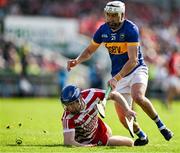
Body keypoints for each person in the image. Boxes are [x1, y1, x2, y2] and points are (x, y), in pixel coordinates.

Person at [67, 1, 173, 146]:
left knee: (138, 97)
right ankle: (142, 136)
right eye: (108, 15)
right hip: (118, 75)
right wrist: (77, 60)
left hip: (136, 70)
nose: (111, 19)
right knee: (123, 118)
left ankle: (161, 126)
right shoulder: (103, 30)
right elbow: (90, 50)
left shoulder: (131, 29)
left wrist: (116, 78)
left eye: (114, 16)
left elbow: (133, 60)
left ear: (122, 15)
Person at [60, 84, 136, 147]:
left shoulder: (91, 94)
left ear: (79, 99)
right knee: (130, 143)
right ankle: (107, 140)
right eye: (67, 105)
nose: (69, 108)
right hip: (92, 140)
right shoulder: (67, 118)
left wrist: (127, 110)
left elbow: (115, 95)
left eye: (72, 104)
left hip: (99, 126)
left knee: (109, 131)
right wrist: (84, 146)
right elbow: (68, 142)